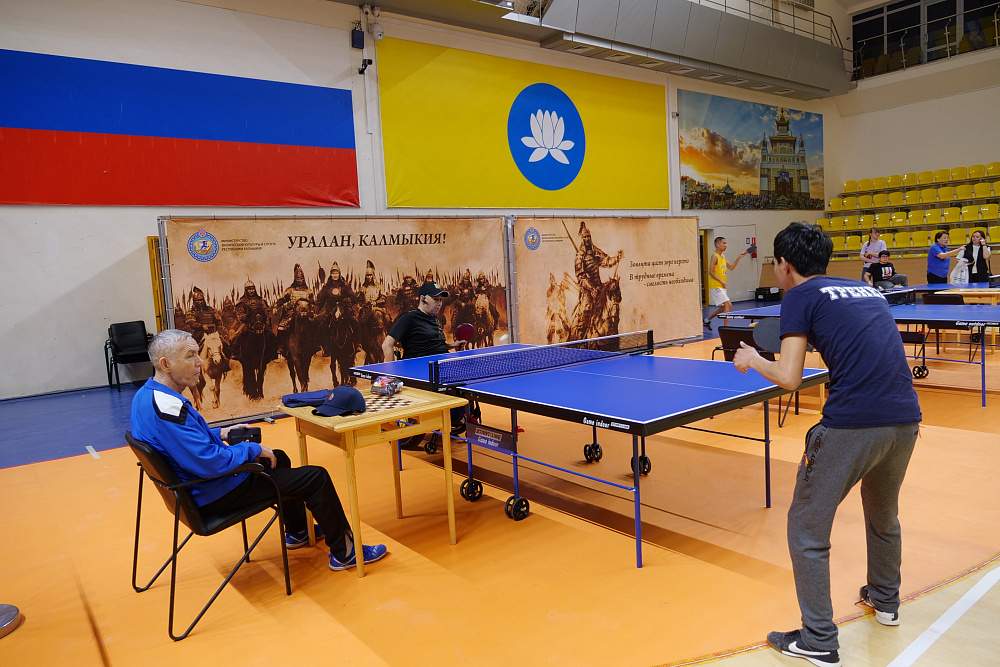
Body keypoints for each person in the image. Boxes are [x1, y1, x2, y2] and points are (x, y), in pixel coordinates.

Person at [733, 222, 921, 667]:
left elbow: (789, 377)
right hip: (905, 420)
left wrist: (753, 358)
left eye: (775, 263)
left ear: (785, 264)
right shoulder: (866, 290)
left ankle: (818, 639)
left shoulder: (799, 295)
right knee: (883, 514)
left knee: (806, 528)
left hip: (851, 425)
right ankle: (886, 601)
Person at [131, 329, 386, 571]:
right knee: (316, 477)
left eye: (198, 354)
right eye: (190, 356)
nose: (199, 362)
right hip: (213, 493)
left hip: (196, 487)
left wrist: (221, 433)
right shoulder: (169, 410)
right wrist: (250, 449)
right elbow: (210, 462)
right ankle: (347, 553)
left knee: (278, 458)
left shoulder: (147, 396)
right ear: (165, 364)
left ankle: (298, 530)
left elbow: (183, 441)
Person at [382, 282, 467, 438]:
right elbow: (387, 344)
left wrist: (451, 345)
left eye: (441, 300)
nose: (439, 304)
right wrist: (391, 373)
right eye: (436, 299)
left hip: (439, 367)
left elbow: (433, 345)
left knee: (465, 380)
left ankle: (453, 418)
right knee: (455, 384)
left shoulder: (434, 318)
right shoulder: (408, 317)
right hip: (420, 370)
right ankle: (451, 418)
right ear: (423, 299)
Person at [571, 221, 623, 340]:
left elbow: (606, 261)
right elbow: (581, 277)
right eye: (585, 237)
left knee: (611, 303)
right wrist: (591, 288)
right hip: (587, 291)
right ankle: (580, 341)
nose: (587, 239)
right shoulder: (580, 256)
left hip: (599, 287)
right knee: (586, 311)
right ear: (582, 239)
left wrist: (616, 258)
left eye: (589, 237)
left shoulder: (595, 252)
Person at [704, 237, 750, 329]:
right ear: (717, 244)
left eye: (726, 243)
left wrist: (739, 257)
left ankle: (706, 320)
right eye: (724, 243)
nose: (726, 245)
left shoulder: (723, 256)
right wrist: (721, 281)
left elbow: (731, 267)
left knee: (723, 308)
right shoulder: (715, 256)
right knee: (728, 305)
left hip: (721, 286)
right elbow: (710, 272)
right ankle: (726, 328)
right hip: (716, 285)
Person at [184, 286, 231, 372]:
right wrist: (201, 327)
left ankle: (226, 365)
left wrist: (219, 330)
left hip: (213, 333)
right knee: (192, 350)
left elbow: (218, 321)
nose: (200, 302)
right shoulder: (191, 312)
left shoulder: (211, 309)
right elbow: (192, 323)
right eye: (198, 300)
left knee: (226, 345)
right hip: (200, 334)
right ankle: (194, 368)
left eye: (201, 300)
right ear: (194, 301)